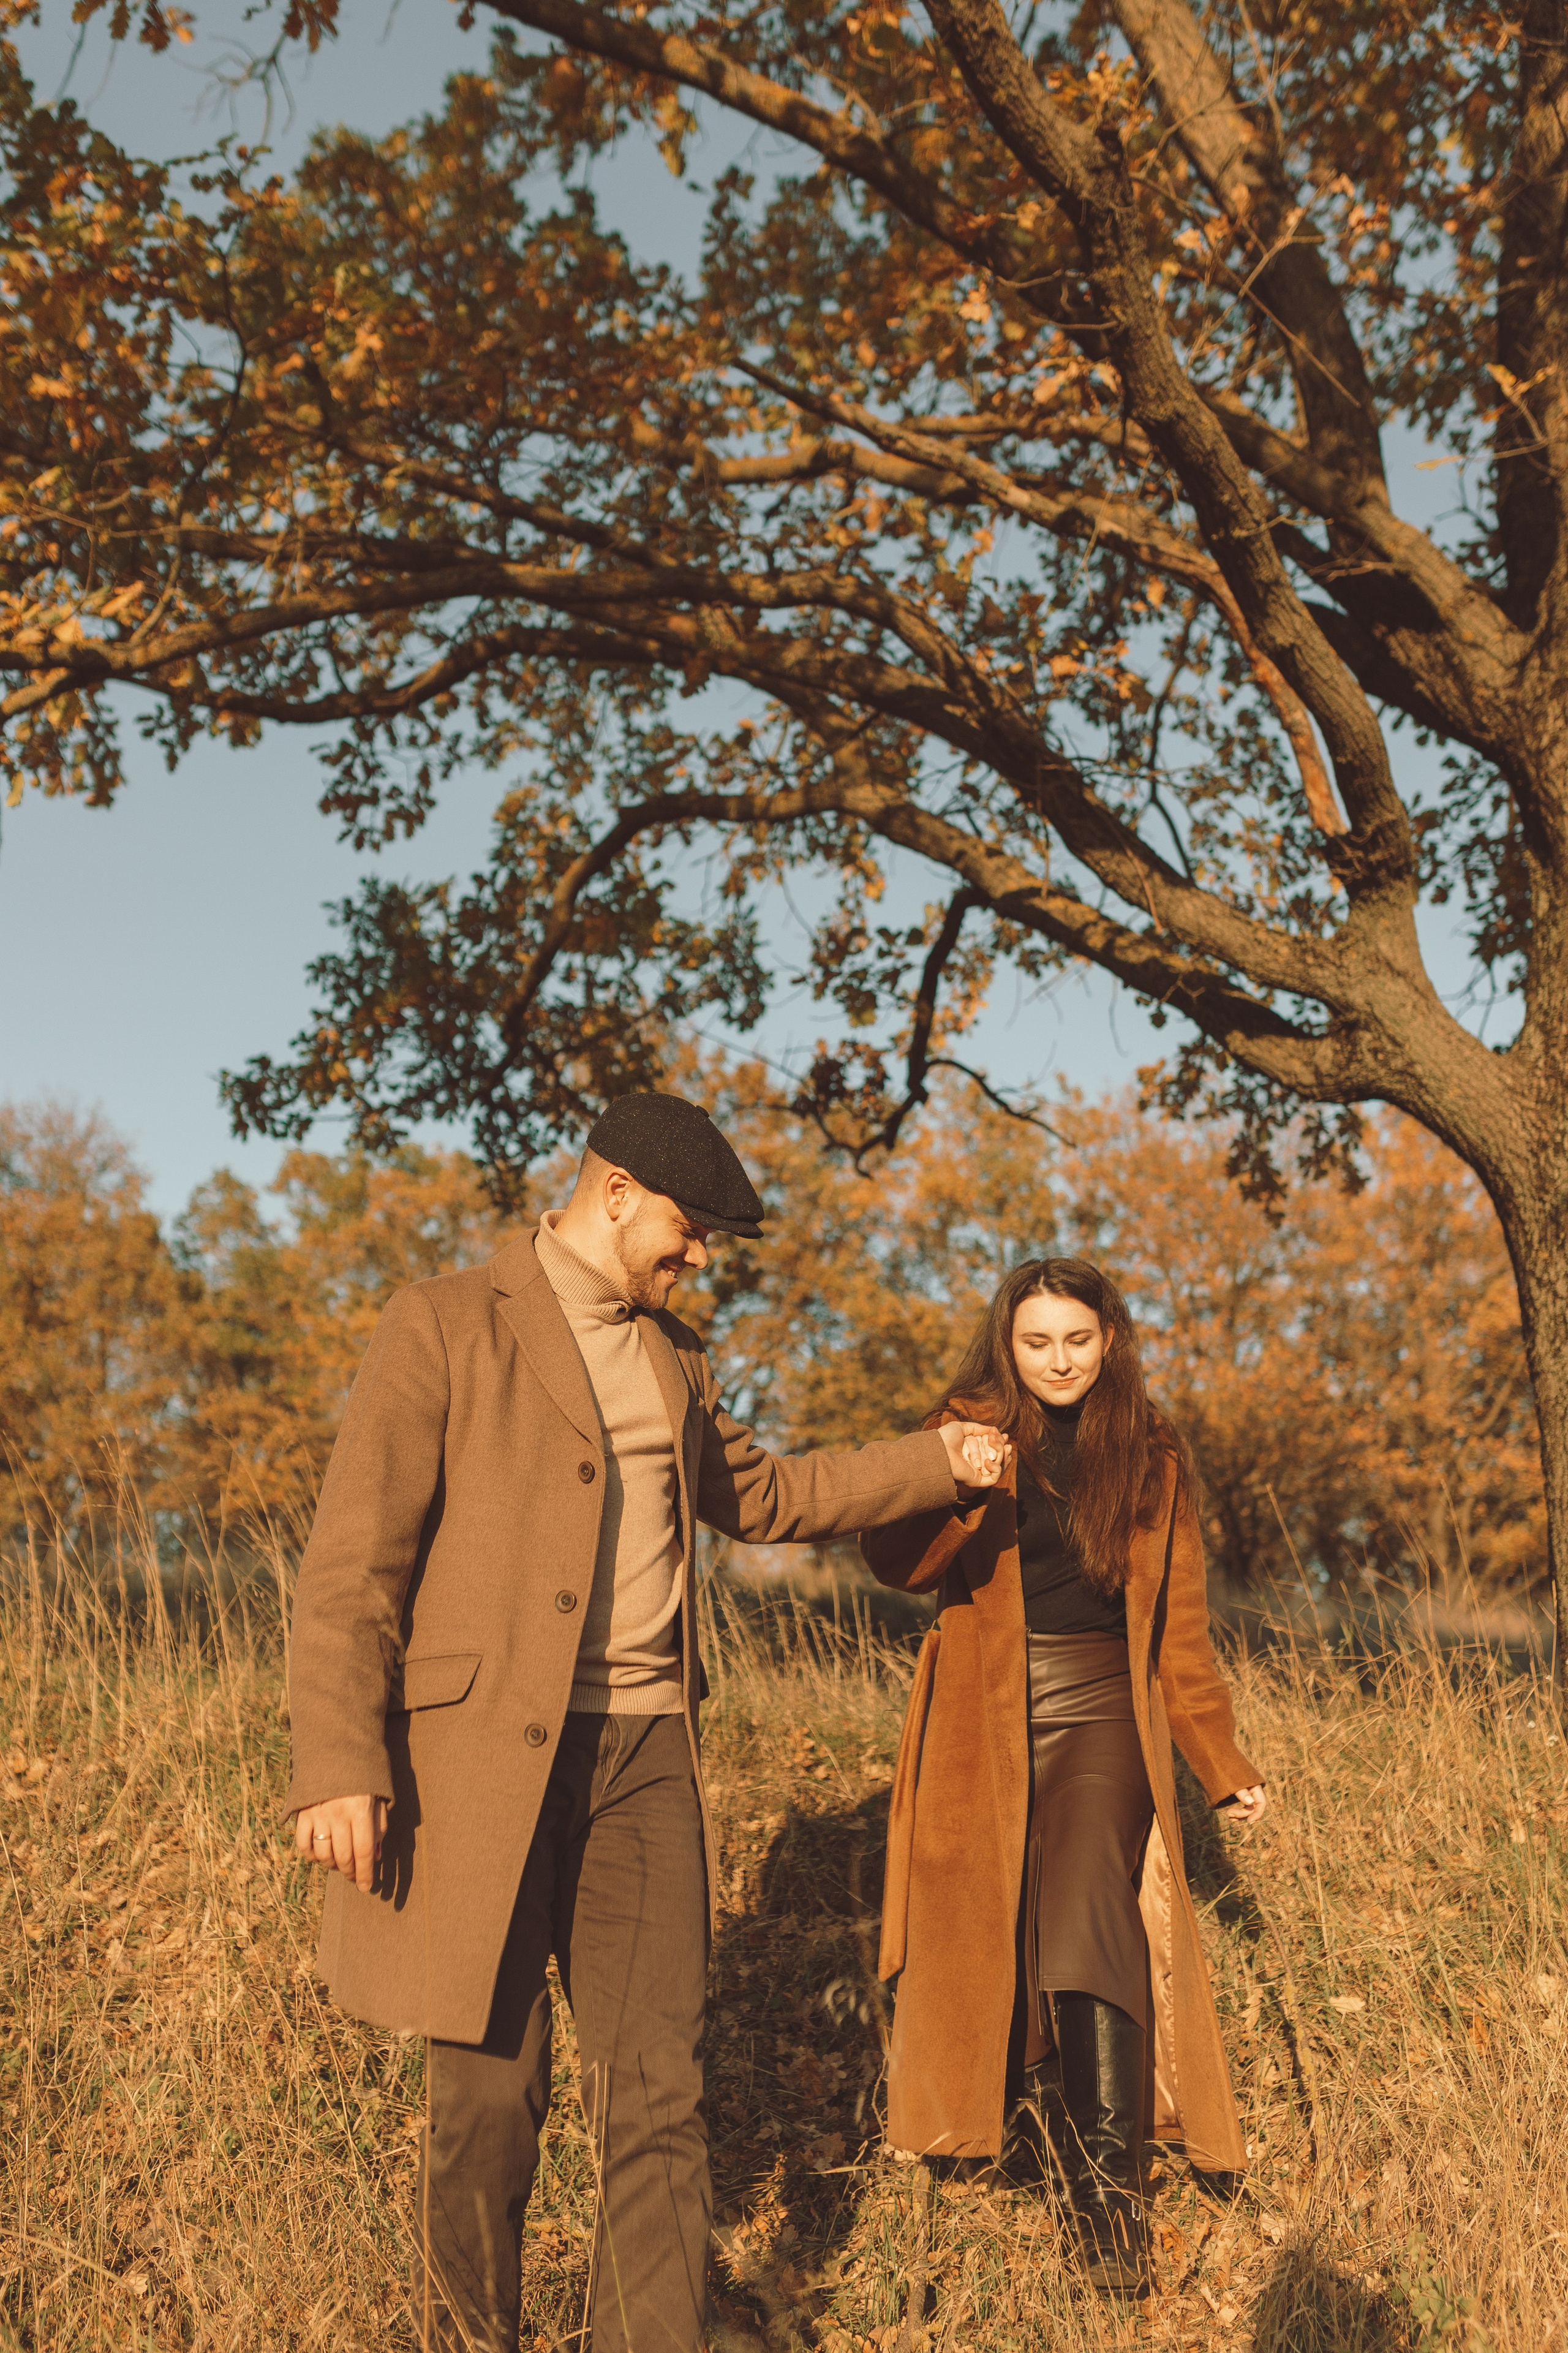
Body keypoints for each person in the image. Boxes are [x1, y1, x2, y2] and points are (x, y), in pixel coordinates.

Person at [285, 1090, 1008, 2353]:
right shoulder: (446, 1322)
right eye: (688, 1228)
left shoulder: (674, 1355)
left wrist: (936, 1460)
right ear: (613, 1190)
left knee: (659, 2088)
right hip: (474, 1768)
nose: (700, 1257)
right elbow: (354, 1568)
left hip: (644, 1755)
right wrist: (341, 1763)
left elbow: (767, 1495)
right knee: (487, 2096)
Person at [862, 1258, 1265, 2296]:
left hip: (1100, 1710)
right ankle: (1030, 2130)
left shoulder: (1151, 1452)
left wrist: (1219, 1761)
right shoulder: (966, 1427)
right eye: (1037, 1342)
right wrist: (956, 1477)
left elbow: (1179, 1630)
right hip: (980, 1710)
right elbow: (893, 1562)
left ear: (1110, 1337)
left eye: (1077, 1340)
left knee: (1088, 1899)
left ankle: (1109, 2214)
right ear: (1009, 1342)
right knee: (1005, 1923)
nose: (1058, 1361)